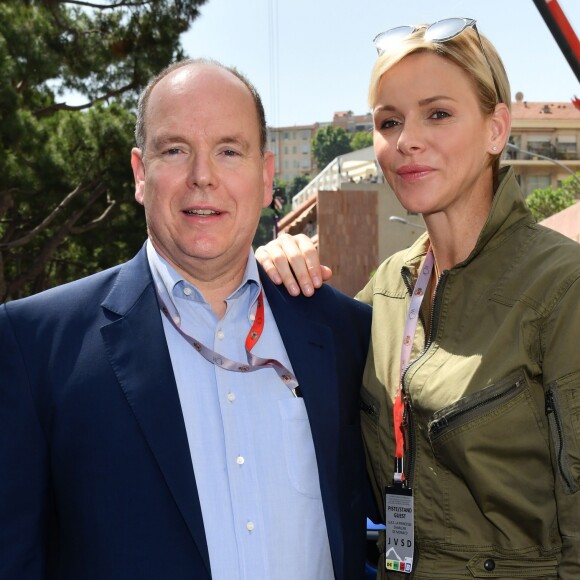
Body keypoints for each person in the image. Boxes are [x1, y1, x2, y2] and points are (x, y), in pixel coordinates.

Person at [0, 58, 374, 580]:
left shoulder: (343, 334)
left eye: (228, 151)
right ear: (139, 173)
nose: (203, 177)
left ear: (266, 177)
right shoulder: (36, 346)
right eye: (175, 150)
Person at [256, 17, 580, 579]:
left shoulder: (562, 287)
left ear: (496, 129)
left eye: (438, 113)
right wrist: (267, 273)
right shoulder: (384, 292)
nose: (406, 140)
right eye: (389, 121)